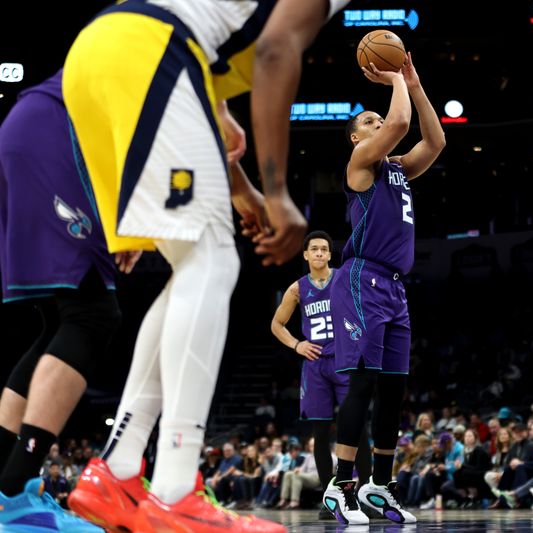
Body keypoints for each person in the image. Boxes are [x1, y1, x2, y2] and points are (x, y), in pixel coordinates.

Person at [62, 0, 356, 531]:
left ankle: (118, 469)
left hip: (101, 55)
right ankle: (174, 489)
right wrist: (276, 192)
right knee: (213, 258)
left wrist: (243, 186)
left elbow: (214, 58)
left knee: (193, 261)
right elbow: (274, 51)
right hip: (150, 52)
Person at [0, 70, 141, 533]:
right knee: (94, 313)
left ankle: (10, 487)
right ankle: (14, 491)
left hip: (31, 131)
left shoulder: (138, 33)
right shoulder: (165, 39)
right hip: (54, 137)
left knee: (57, 319)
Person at [322, 52, 446, 526]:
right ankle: (342, 484)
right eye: (369, 121)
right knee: (365, 380)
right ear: (358, 137)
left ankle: (381, 486)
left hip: (394, 288)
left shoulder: (398, 168)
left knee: (393, 389)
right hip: (360, 279)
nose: (381, 123)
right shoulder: (361, 162)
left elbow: (434, 139)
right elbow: (398, 123)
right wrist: (395, 78)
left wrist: (413, 83)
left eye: (378, 119)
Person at [270, 230, 371, 518]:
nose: (318, 253)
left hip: (343, 360)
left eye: (323, 249)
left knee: (356, 428)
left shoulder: (343, 278)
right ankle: (331, 499)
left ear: (329, 254)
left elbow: (365, 310)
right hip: (314, 364)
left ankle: (365, 494)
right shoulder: (297, 289)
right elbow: (277, 324)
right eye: (313, 249)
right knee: (321, 430)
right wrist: (297, 344)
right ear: (305, 254)